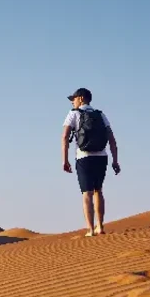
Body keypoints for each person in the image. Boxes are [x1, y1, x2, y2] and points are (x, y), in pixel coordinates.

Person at [61, 87, 120, 236]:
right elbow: (112, 139)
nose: (72, 102)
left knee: (86, 194)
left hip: (84, 157)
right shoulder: (100, 114)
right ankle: (100, 226)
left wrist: (65, 160)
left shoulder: (73, 114)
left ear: (80, 98)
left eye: (73, 99)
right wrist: (115, 161)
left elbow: (64, 137)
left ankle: (90, 229)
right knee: (98, 191)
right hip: (101, 157)